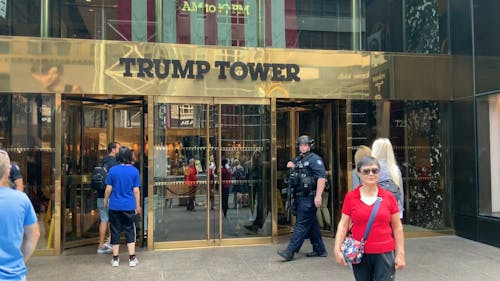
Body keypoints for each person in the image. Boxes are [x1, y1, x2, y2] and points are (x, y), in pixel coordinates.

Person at [334, 156, 405, 280]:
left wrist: (400, 253)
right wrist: (337, 248)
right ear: (359, 173)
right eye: (366, 171)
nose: (371, 174)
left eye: (375, 170)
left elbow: (397, 227)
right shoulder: (351, 197)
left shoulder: (388, 197)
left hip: (385, 252)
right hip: (360, 253)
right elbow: (343, 224)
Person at [277, 135, 327, 261]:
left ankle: (290, 251)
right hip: (300, 197)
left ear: (310, 146)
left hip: (309, 197)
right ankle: (319, 249)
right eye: (301, 145)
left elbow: (321, 178)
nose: (303, 147)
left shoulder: (315, 159)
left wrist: (318, 195)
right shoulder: (299, 159)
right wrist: (290, 165)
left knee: (301, 224)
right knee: (311, 223)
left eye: (305, 145)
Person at [0, 150, 40, 280]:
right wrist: (20, 262)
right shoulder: (21, 200)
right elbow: (34, 235)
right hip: (13, 275)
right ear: (8, 172)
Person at [104, 146, 142, 267]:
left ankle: (115, 259)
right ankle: (132, 258)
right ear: (129, 157)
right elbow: (136, 191)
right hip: (129, 206)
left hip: (114, 206)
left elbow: (108, 189)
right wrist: (138, 205)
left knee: (115, 231)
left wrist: (105, 201)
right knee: (130, 231)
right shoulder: (134, 171)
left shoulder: (113, 170)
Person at [96, 142, 120, 254]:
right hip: (109, 196)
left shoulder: (101, 161)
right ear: (113, 150)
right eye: (118, 148)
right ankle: (110, 242)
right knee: (114, 220)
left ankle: (101, 245)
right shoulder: (114, 163)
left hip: (99, 195)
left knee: (104, 219)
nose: (119, 151)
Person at [371, 138, 404, 218]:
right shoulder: (395, 169)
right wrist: (400, 211)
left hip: (375, 213)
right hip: (393, 212)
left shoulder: (371, 169)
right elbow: (400, 193)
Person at [244, 151, 265, 232]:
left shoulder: (262, 164)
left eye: (258, 155)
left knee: (260, 203)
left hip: (260, 184)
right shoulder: (248, 164)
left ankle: (257, 223)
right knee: (252, 200)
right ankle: (253, 217)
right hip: (251, 183)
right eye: (256, 155)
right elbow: (246, 174)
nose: (257, 156)